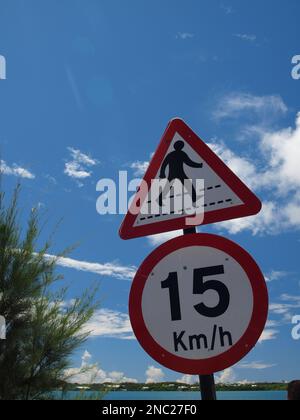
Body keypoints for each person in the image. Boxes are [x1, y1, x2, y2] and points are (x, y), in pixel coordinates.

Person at [159, 141, 203, 206]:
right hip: (177, 173)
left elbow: (164, 165)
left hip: (175, 174)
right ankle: (194, 199)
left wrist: (162, 173)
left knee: (187, 185)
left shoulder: (173, 154)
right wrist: (199, 165)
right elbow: (189, 163)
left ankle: (194, 199)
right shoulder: (181, 154)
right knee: (186, 185)